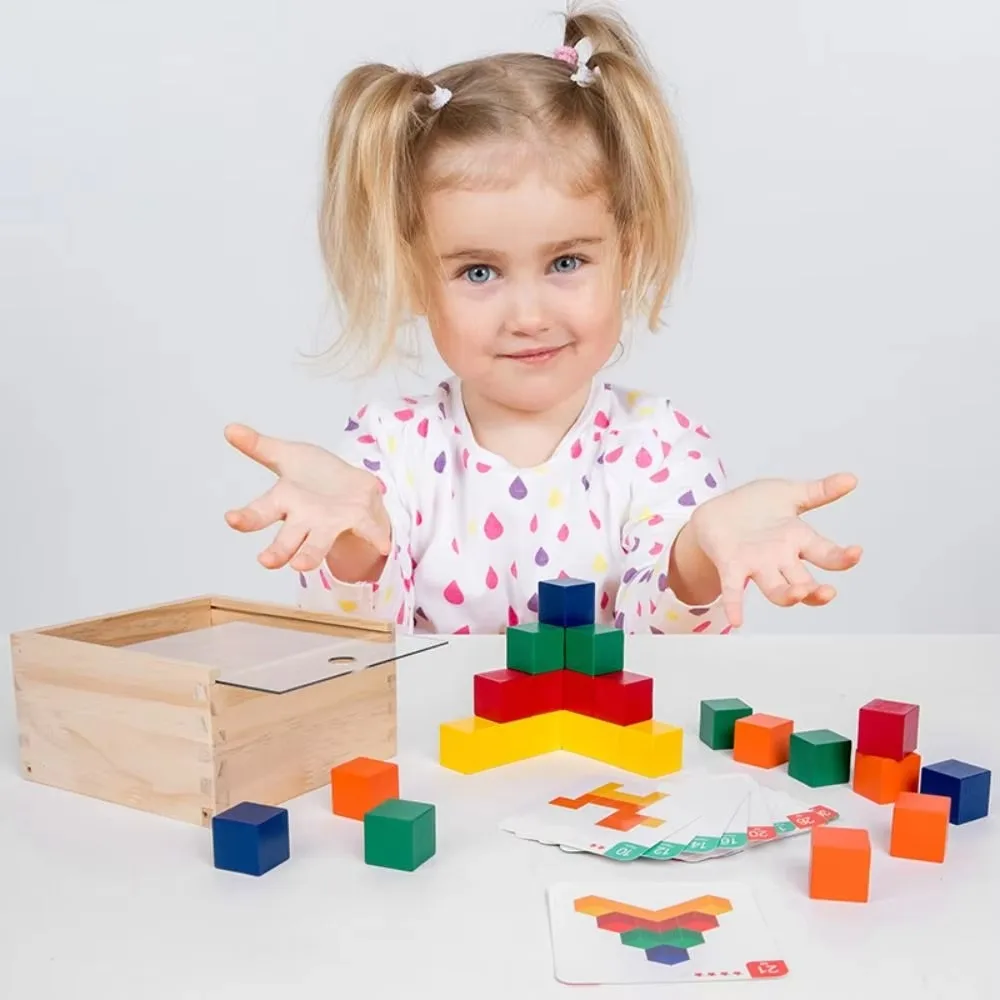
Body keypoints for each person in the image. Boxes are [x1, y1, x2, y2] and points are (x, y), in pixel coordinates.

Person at [223, 2, 862, 636]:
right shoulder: (389, 449)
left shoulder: (660, 446)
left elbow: (659, 638)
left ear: (627, 253)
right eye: (479, 272)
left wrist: (699, 550)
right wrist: (352, 538)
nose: (528, 317)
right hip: (437, 739)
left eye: (566, 262)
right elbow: (365, 641)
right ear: (416, 279)